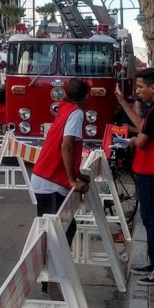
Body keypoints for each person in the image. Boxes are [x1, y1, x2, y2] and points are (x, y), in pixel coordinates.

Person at [116, 68, 154, 285]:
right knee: (149, 218)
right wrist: (125, 104)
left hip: (151, 170)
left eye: (141, 87)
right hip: (148, 170)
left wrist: (129, 142)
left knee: (152, 220)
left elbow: (142, 138)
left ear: (153, 87)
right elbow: (142, 127)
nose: (137, 91)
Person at [30, 78, 90, 247]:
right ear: (85, 96)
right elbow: (67, 144)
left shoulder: (65, 108)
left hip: (46, 177)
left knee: (63, 230)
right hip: (51, 181)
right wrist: (72, 180)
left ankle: (56, 269)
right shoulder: (76, 113)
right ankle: (54, 270)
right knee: (56, 235)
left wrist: (77, 174)